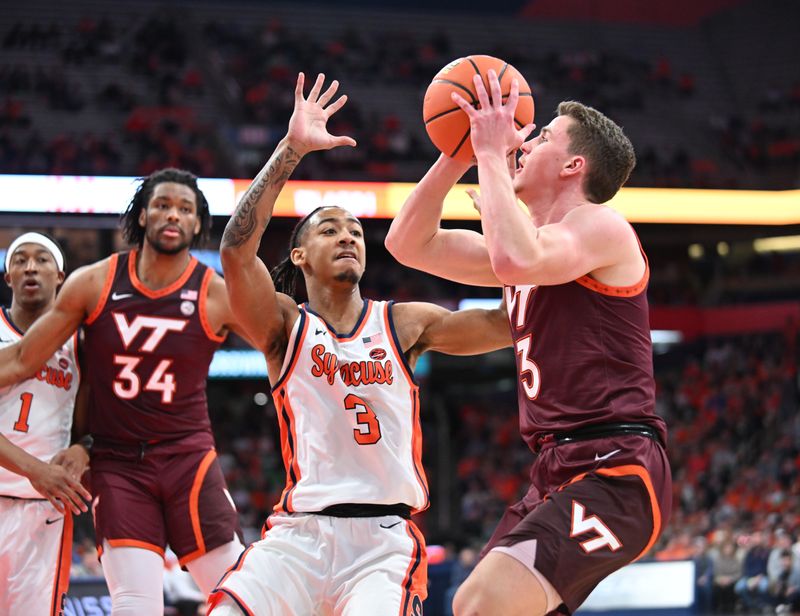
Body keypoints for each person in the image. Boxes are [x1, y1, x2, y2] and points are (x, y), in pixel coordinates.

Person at [207, 72, 511, 616]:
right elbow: (234, 251)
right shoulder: (283, 325)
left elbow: (503, 325)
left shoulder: (404, 324)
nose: (348, 236)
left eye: (353, 230)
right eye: (328, 230)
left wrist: (531, 238)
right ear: (298, 257)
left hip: (382, 541)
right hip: (298, 537)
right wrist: (291, 149)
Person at [385, 70, 672, 615]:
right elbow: (407, 243)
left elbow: (516, 258)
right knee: (482, 604)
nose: (524, 140)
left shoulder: (603, 227)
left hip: (616, 467)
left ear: (572, 166)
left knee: (478, 604)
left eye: (541, 138)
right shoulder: (527, 250)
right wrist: (459, 154)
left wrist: (492, 155)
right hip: (554, 468)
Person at [0, 171, 251, 614]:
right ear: (141, 215)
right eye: (161, 204)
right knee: (137, 604)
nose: (172, 214)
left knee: (246, 594)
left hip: (182, 458)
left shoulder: (215, 293)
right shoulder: (93, 284)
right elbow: (22, 359)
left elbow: (282, 340)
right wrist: (80, 448)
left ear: (197, 224)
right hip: (113, 465)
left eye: (185, 208)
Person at [0, 232, 91, 615]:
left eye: (42, 259)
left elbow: (93, 425)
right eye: (20, 260)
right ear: (8, 277)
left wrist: (84, 449)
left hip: (42, 511)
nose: (30, 267)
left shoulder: (81, 343)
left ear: (61, 277)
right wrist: (35, 469)